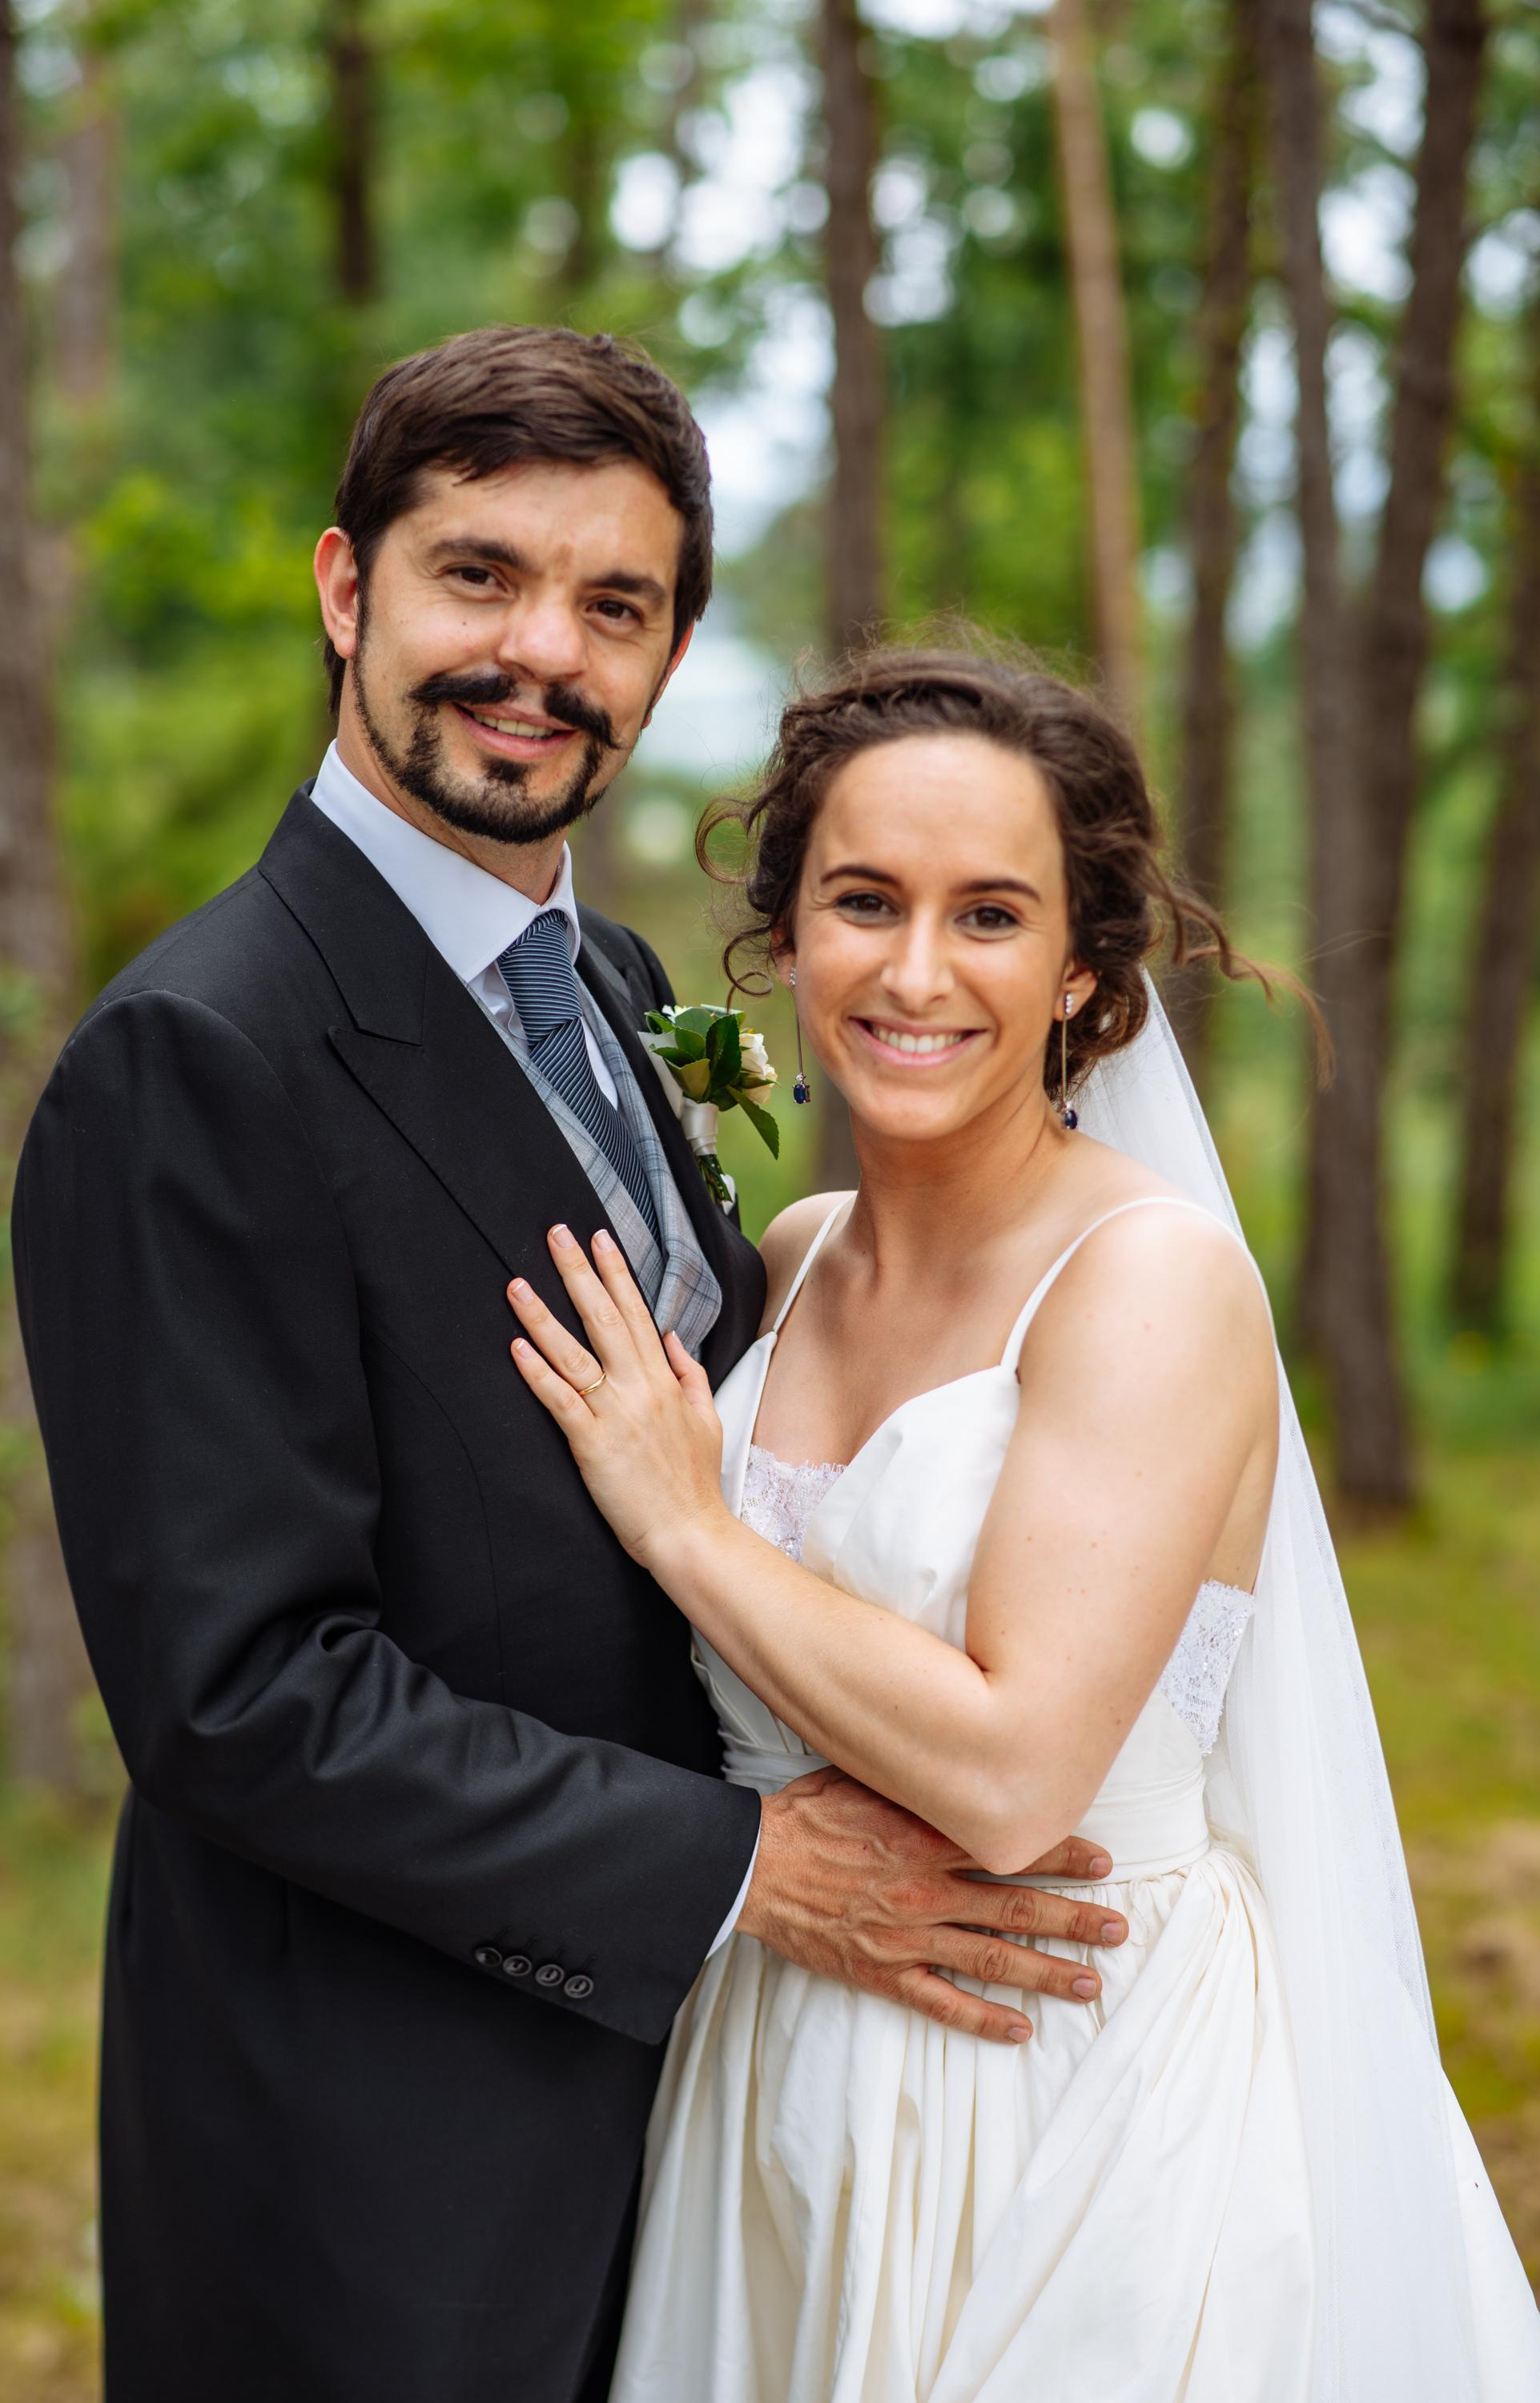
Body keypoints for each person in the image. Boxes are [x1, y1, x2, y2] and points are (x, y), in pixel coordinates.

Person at [10, 339, 1121, 2401]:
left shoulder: (601, 985)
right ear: (346, 590)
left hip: (688, 2121)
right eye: (479, 577)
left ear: (671, 644)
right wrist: (742, 1871)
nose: (539, 655)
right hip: (383, 2174)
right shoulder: (196, 1062)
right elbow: (241, 1698)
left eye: (613, 606)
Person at [510, 645, 1540, 2402]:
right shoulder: (783, 1269)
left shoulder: (1147, 1281)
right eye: (862, 901)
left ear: (1083, 966)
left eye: (989, 915)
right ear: (785, 936)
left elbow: (1015, 1773)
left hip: (1070, 2092)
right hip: (773, 2079)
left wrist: (686, 1524)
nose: (914, 971)